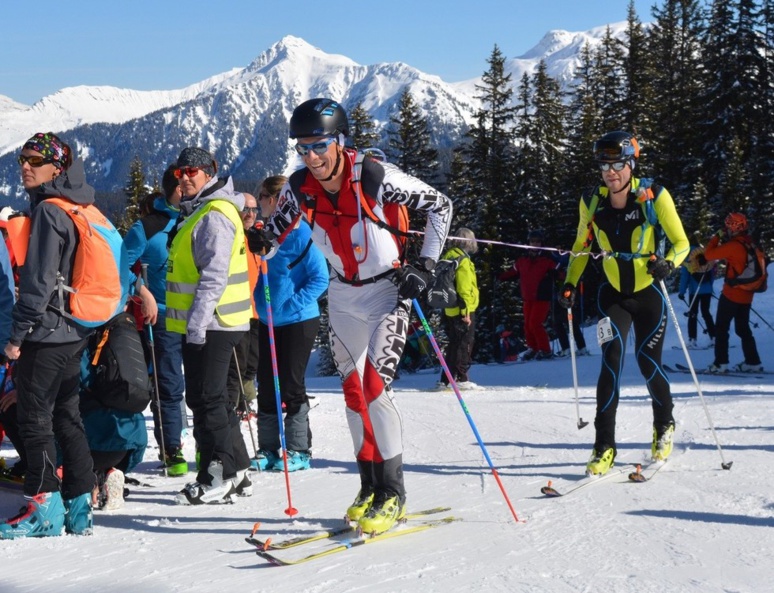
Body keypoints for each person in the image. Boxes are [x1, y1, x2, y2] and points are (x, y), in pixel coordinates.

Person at [253, 98, 451, 534]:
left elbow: (441, 206)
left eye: (319, 145)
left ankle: (393, 492)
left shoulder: (374, 177)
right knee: (353, 392)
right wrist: (260, 240)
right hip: (342, 295)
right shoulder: (300, 186)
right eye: (302, 148)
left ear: (340, 141)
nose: (311, 157)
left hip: (386, 291)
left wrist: (426, 266)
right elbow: (275, 229)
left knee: (375, 387)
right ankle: (369, 487)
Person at [558, 131, 689, 475]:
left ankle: (664, 424)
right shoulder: (592, 201)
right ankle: (604, 446)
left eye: (617, 164)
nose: (610, 171)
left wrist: (669, 263)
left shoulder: (653, 196)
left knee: (648, 363)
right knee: (611, 363)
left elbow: (682, 243)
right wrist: (570, 281)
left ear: (631, 163)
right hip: (613, 295)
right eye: (604, 165)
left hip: (649, 295)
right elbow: (581, 245)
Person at [1, 133, 102, 539]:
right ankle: (79, 508)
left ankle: (43, 506)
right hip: (74, 330)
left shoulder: (48, 211)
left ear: (56, 168)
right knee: (67, 416)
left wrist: (16, 337)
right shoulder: (78, 204)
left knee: (34, 418)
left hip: (46, 332)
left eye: (36, 160)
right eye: (23, 159)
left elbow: (39, 284)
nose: (26, 166)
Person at [166, 147, 253, 505]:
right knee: (210, 397)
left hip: (212, 323)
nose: (185, 178)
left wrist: (197, 326)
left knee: (207, 398)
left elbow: (214, 275)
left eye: (193, 171)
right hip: (211, 322)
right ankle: (240, 469)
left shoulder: (214, 214)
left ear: (210, 173)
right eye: (179, 172)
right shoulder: (202, 210)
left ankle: (220, 472)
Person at [249, 175, 328, 472]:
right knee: (267, 385)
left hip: (297, 321)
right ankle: (268, 448)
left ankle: (298, 450)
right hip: (270, 321)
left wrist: (290, 305)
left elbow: (320, 278)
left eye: (261, 197)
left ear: (276, 200)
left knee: (292, 384)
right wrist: (262, 303)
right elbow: (270, 276)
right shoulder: (266, 235)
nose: (258, 203)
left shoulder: (301, 234)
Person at [123, 164, 188, 476]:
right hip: (162, 314)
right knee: (169, 383)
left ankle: (210, 447)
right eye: (183, 184)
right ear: (173, 190)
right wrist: (141, 291)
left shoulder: (198, 218)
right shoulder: (147, 227)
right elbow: (122, 266)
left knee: (207, 386)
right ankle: (172, 448)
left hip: (200, 311)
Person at [703, 213, 763, 373]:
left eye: (728, 226)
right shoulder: (749, 244)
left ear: (733, 227)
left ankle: (720, 363)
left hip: (731, 294)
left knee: (721, 328)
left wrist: (717, 236)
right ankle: (753, 362)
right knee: (743, 328)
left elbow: (708, 254)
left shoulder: (734, 246)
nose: (726, 229)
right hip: (747, 294)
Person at [498, 229, 558, 360]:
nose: (535, 244)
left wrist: (563, 276)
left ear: (542, 243)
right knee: (527, 324)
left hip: (542, 297)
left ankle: (545, 350)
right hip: (527, 297)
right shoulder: (523, 260)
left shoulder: (546, 259)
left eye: (538, 242)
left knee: (535, 323)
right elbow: (512, 272)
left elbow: (559, 271)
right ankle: (534, 348)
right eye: (532, 241)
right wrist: (499, 276)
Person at [227, 191, 261, 417]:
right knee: (237, 364)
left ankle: (246, 400)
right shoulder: (231, 236)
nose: (249, 214)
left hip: (258, 312)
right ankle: (239, 403)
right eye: (245, 209)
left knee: (252, 362)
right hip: (238, 310)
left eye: (253, 209)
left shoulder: (258, 238)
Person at [433, 227, 479, 391]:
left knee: (454, 343)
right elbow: (465, 288)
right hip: (463, 309)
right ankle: (461, 377)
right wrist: (466, 311)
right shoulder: (463, 260)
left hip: (449, 307)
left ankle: (447, 378)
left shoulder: (449, 257)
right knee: (464, 343)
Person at [677, 246, 716, 349]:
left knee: (692, 314)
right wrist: (710, 288)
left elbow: (685, 276)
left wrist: (682, 292)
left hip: (694, 291)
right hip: (707, 290)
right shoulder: (705, 255)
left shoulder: (689, 258)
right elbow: (711, 274)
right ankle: (714, 338)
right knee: (706, 313)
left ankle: (692, 340)